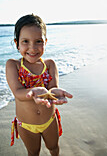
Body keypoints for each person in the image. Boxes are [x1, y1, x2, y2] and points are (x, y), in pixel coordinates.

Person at [6, 14, 73, 156]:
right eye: (25, 41)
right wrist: (34, 92)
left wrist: (55, 93)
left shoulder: (49, 64)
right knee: (33, 152)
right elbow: (18, 92)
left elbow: (52, 88)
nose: (33, 47)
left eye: (38, 41)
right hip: (26, 125)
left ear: (45, 42)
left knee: (54, 148)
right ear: (16, 43)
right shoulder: (13, 65)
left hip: (49, 120)